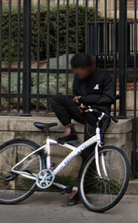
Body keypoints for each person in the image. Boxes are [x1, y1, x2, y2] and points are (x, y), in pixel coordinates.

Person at [48, 53, 115, 206]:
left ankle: (81, 190)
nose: (78, 73)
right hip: (83, 112)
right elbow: (76, 97)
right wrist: (81, 102)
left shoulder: (105, 77)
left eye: (80, 70)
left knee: (88, 152)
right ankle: (69, 129)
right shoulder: (79, 78)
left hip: (98, 115)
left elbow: (108, 98)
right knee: (56, 100)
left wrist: (86, 100)